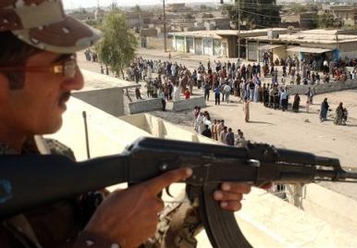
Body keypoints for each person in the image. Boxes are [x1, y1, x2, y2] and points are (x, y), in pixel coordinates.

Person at [0, 1, 253, 247]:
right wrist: (102, 240)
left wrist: (197, 200)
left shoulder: (49, 161)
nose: (77, 81)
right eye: (61, 67)